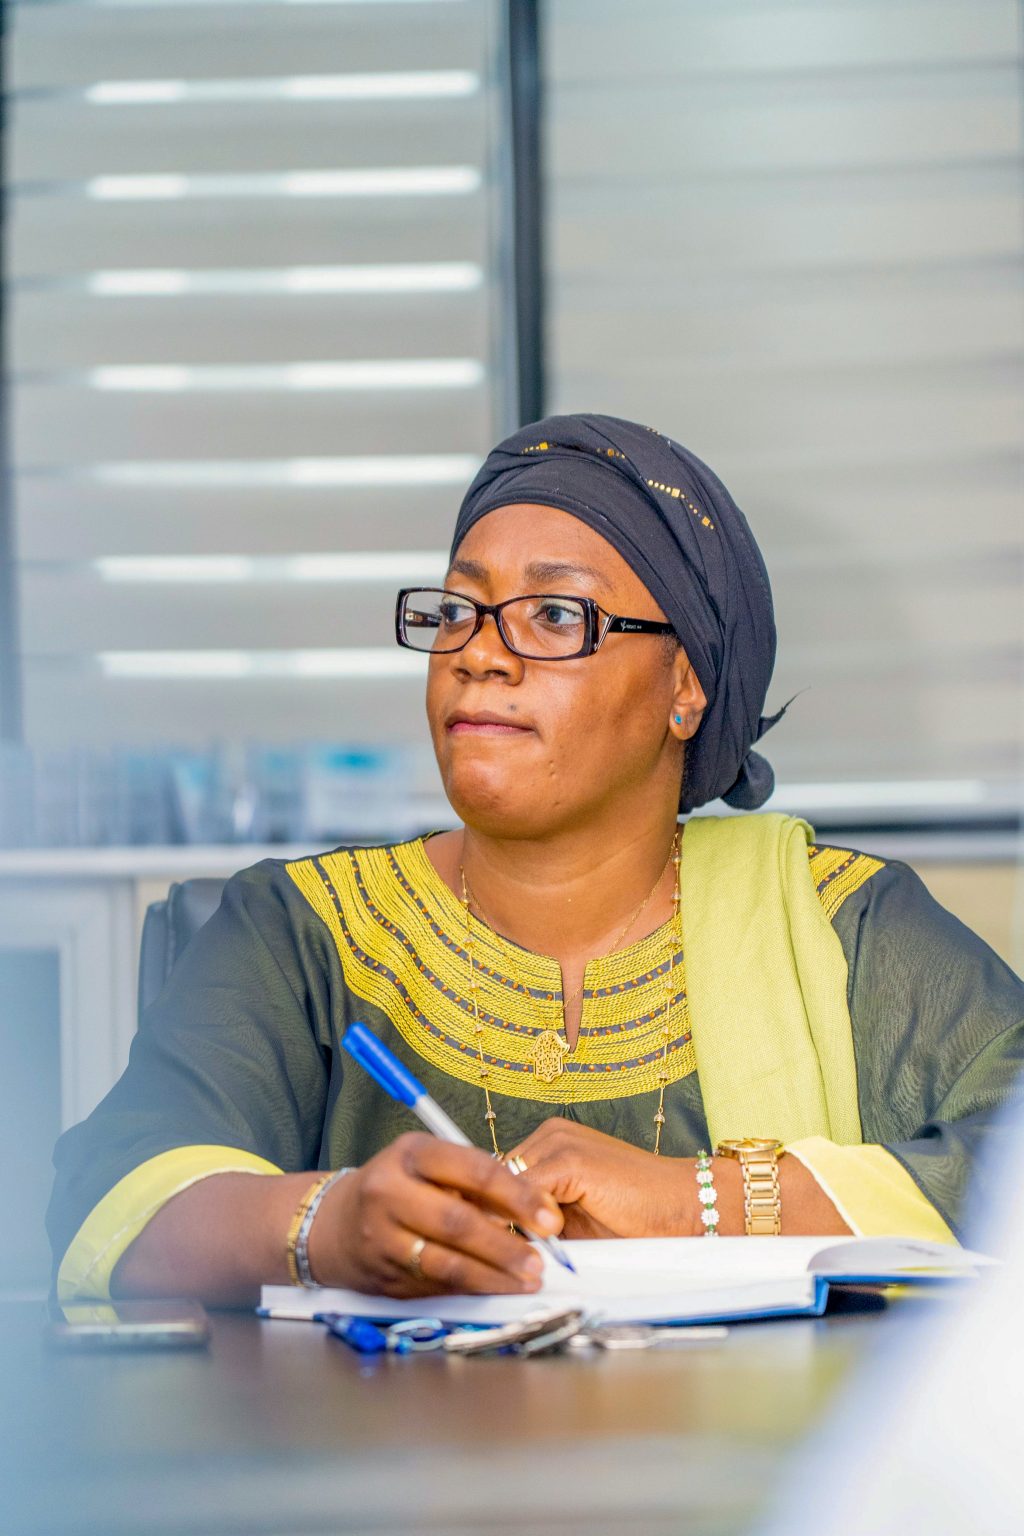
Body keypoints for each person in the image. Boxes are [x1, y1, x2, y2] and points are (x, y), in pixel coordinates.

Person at [47, 414, 1024, 1306]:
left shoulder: (837, 924)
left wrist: (694, 1202)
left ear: (684, 686)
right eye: (458, 611)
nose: (477, 653)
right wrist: (322, 1227)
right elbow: (109, 1202)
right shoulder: (303, 933)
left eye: (555, 614)